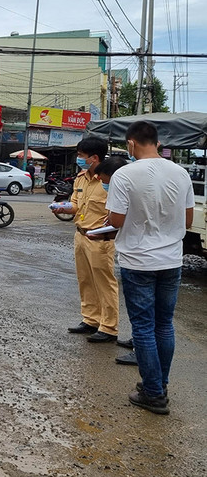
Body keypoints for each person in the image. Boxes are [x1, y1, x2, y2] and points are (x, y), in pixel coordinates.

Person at [107, 122, 194, 415]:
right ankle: (158, 385)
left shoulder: (124, 174)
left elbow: (116, 221)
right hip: (171, 259)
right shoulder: (181, 173)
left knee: (143, 327)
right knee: (163, 324)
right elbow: (189, 220)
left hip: (138, 260)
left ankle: (154, 393)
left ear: (131, 143)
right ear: (156, 142)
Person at [56, 137, 120, 344]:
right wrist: (63, 207)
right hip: (81, 234)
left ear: (94, 157)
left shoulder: (109, 180)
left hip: (100, 239)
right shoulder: (81, 178)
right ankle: (91, 319)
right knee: (85, 280)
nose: (78, 159)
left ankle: (109, 327)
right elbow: (75, 204)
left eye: (81, 156)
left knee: (104, 283)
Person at [92, 156, 136, 366]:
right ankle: (140, 345)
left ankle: (142, 351)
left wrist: (109, 226)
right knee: (156, 317)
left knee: (143, 312)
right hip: (166, 257)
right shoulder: (175, 177)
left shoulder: (127, 186)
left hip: (140, 258)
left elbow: (116, 221)